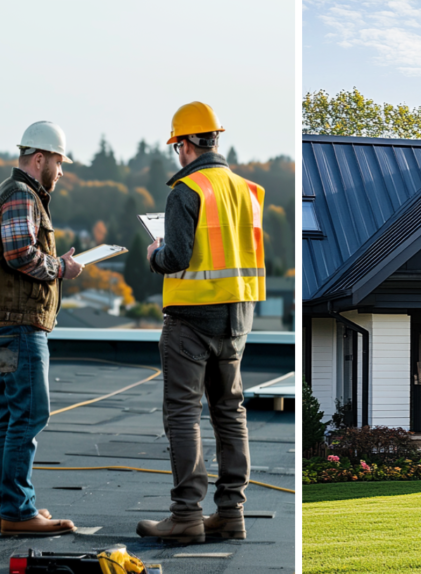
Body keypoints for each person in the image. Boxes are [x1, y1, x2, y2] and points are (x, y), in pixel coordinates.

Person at [137, 102, 266, 543]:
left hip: (191, 320)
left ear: (186, 143)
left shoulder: (186, 191)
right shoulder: (247, 191)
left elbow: (175, 257)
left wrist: (154, 254)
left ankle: (187, 516)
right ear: (216, 139)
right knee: (230, 411)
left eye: (177, 145)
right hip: (238, 319)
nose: (177, 154)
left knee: (183, 414)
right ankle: (231, 514)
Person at [0, 121, 83, 536]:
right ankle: (19, 511)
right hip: (19, 325)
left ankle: (8, 507)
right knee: (29, 414)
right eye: (58, 162)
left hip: (5, 324)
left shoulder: (14, 195)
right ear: (39, 158)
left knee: (11, 414)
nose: (60, 172)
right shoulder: (22, 195)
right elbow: (21, 254)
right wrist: (62, 267)